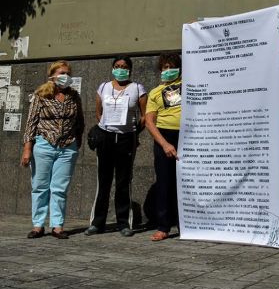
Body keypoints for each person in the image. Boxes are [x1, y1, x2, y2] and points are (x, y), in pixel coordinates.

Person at [21, 60, 84, 239]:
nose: (65, 77)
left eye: (68, 74)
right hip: (43, 145)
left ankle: (57, 225)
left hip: (67, 147)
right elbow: (31, 122)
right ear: (53, 75)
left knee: (59, 188)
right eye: (61, 73)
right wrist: (27, 149)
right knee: (40, 186)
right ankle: (38, 225)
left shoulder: (74, 96)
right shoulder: (41, 94)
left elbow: (79, 121)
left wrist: (77, 141)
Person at [85, 56, 147, 237]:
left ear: (130, 69)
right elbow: (99, 113)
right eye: (117, 66)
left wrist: (134, 132)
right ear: (112, 68)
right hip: (105, 137)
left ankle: (123, 223)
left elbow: (144, 116)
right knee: (103, 182)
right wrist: (107, 128)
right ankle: (97, 223)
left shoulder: (137, 88)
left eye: (124, 67)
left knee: (123, 182)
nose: (121, 69)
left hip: (127, 139)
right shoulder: (103, 87)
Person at [145, 53, 182, 242]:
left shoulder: (189, 84)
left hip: (189, 137)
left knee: (188, 183)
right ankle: (163, 226)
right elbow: (150, 122)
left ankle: (188, 224)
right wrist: (165, 143)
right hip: (164, 137)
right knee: (165, 183)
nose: (168, 70)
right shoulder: (154, 92)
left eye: (171, 66)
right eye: (164, 67)